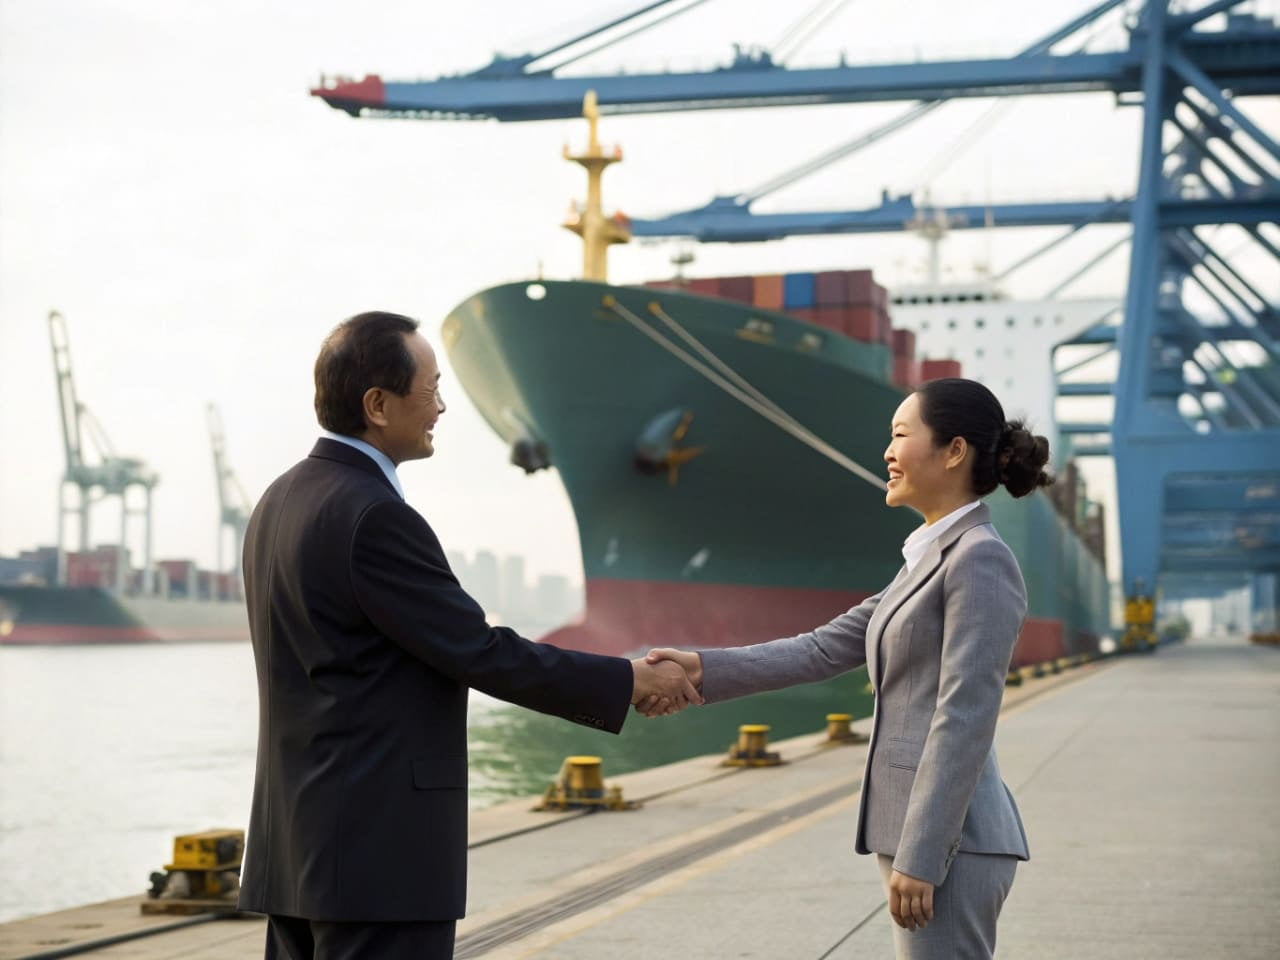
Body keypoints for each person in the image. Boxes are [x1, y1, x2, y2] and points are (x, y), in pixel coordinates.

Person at [238, 311, 700, 960]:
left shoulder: (278, 503)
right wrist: (628, 680)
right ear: (377, 404)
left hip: (294, 855)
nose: (443, 407)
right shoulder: (374, 516)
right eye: (430, 390)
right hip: (376, 864)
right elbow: (479, 651)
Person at [645, 378, 1050, 959]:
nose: (887, 452)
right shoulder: (927, 561)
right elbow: (819, 650)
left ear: (954, 451)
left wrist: (923, 854)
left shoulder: (979, 558)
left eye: (901, 435)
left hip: (950, 845)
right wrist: (701, 668)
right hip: (922, 839)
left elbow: (965, 715)